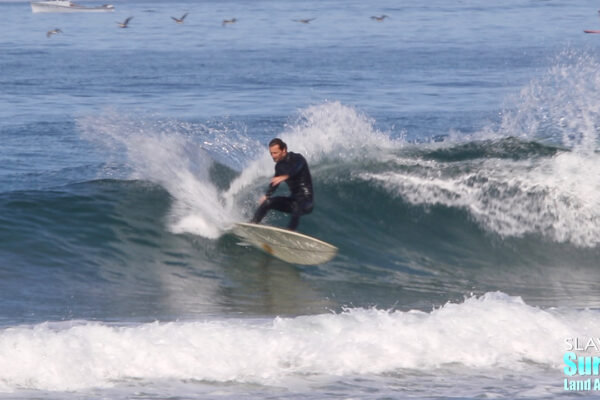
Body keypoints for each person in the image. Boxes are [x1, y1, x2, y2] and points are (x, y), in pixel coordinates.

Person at [251, 138, 313, 231]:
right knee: (267, 203)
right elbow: (275, 183)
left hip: (306, 201)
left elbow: (297, 168)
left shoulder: (297, 158)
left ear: (284, 150)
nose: (273, 156)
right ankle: (253, 224)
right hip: (293, 200)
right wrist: (267, 195)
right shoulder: (279, 166)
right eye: (271, 153)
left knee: (297, 206)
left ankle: (290, 232)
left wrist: (286, 176)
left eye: (275, 153)